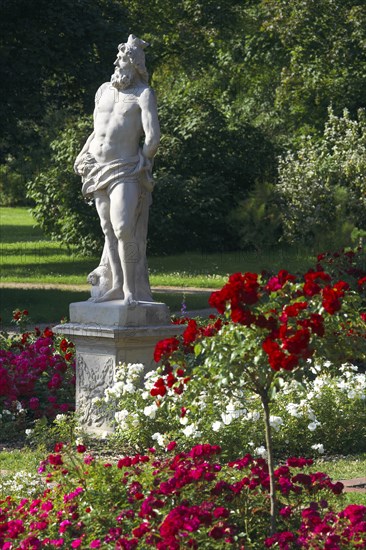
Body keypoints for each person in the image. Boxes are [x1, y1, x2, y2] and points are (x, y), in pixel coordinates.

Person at [74, 35, 160, 305]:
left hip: (126, 169)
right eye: (118, 58)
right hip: (96, 168)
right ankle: (117, 285)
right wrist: (82, 153)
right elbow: (97, 132)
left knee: (123, 227)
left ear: (134, 64)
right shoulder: (103, 91)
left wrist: (144, 161)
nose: (116, 62)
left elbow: (153, 136)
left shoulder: (143, 95)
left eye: (122, 59)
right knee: (108, 229)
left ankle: (131, 291)